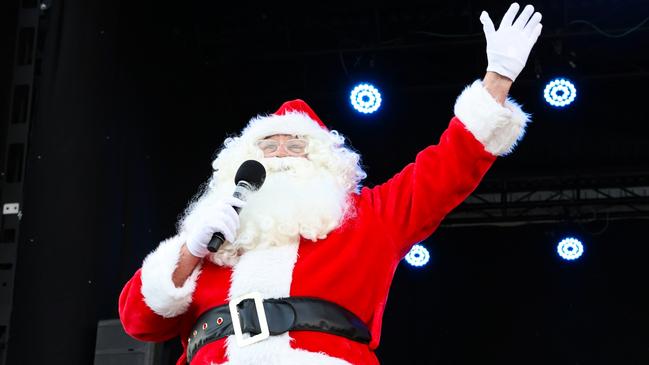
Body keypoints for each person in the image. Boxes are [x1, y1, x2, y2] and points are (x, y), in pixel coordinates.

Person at [119, 3, 543, 364]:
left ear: (326, 163)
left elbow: (447, 169)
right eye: (269, 145)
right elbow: (139, 321)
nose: (281, 153)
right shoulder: (210, 240)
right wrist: (190, 252)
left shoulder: (369, 218)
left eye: (296, 145)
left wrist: (497, 81)